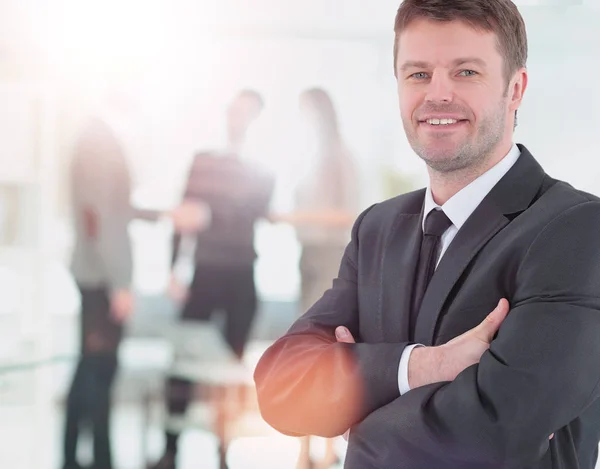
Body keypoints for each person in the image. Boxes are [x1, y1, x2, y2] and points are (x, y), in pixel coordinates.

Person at [254, 1, 600, 468]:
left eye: (466, 72)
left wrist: (360, 412)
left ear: (515, 88)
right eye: (418, 74)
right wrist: (425, 368)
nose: (437, 95)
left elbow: (498, 431)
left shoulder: (575, 229)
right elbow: (281, 387)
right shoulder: (376, 229)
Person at [150, 90, 274, 469]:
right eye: (235, 113)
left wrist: (210, 213)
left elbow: (251, 213)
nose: (239, 120)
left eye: (247, 115)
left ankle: (224, 453)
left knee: (230, 372)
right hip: (203, 274)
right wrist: (173, 268)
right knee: (182, 363)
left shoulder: (262, 169)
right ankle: (170, 450)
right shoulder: (202, 162)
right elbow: (185, 214)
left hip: (240, 277)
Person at [64, 109, 165, 469]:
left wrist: (161, 215)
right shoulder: (98, 143)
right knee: (100, 371)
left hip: (95, 274)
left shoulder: (98, 138)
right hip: (101, 278)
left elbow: (113, 208)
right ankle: (98, 460)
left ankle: (72, 457)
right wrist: (120, 282)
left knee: (89, 368)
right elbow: (101, 217)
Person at [270, 87, 359, 469]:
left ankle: (325, 452)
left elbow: (349, 215)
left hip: (329, 260)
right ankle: (306, 451)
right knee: (305, 353)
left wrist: (297, 218)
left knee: (326, 355)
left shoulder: (340, 158)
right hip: (307, 259)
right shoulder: (310, 158)